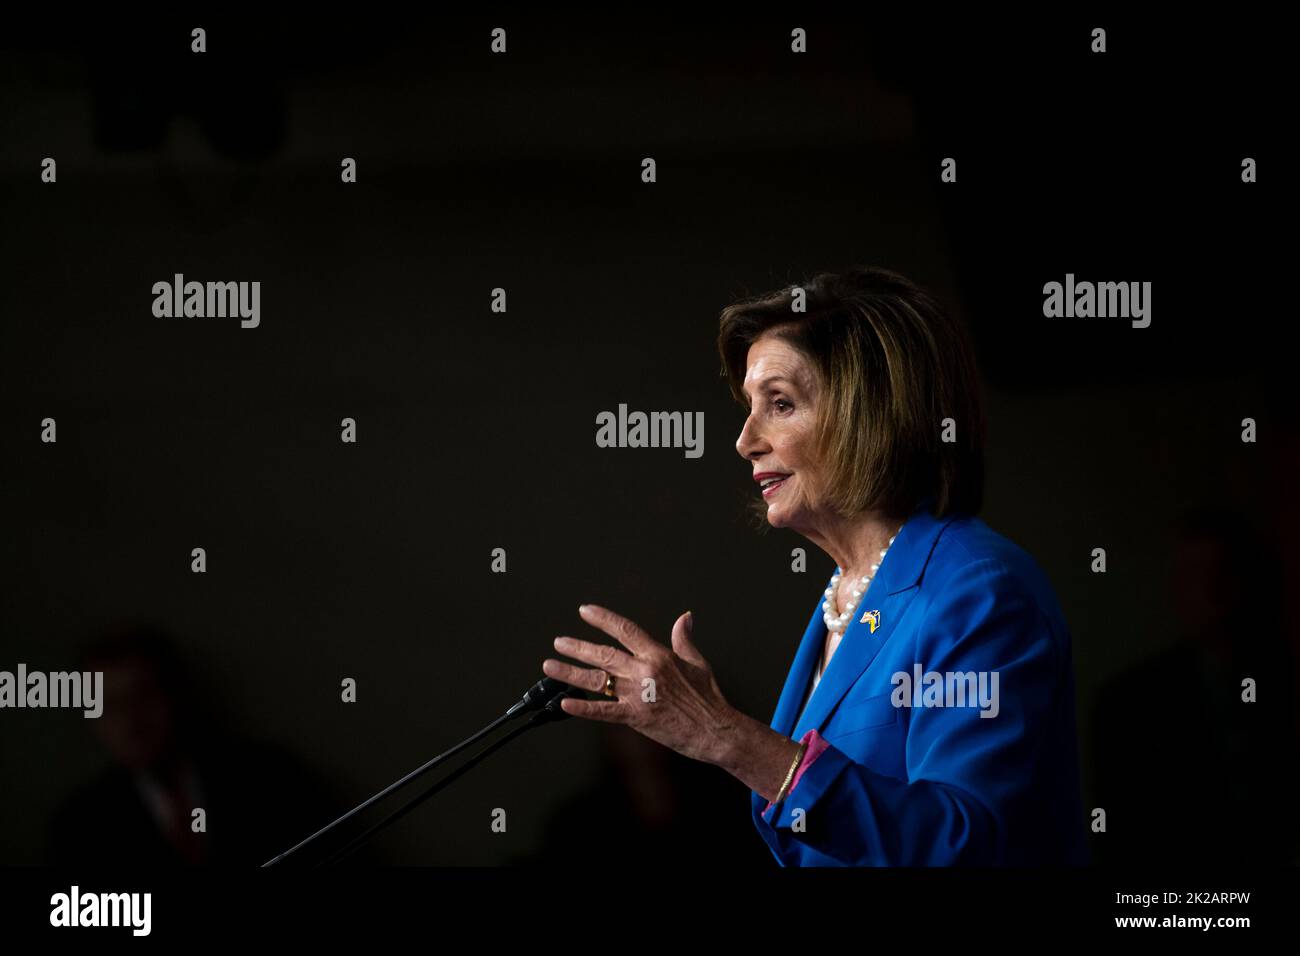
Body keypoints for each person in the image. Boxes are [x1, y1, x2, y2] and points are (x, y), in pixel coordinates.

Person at [541, 266, 1089, 865]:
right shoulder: (850, 588)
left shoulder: (977, 592)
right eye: (750, 407)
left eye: (780, 404)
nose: (745, 440)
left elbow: (963, 846)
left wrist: (724, 736)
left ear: (870, 415)